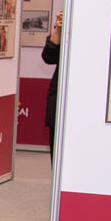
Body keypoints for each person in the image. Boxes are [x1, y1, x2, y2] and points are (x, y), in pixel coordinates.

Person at [42, 9, 63, 158]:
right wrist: (58, 30)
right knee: (57, 157)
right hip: (60, 101)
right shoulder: (66, 26)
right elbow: (48, 58)